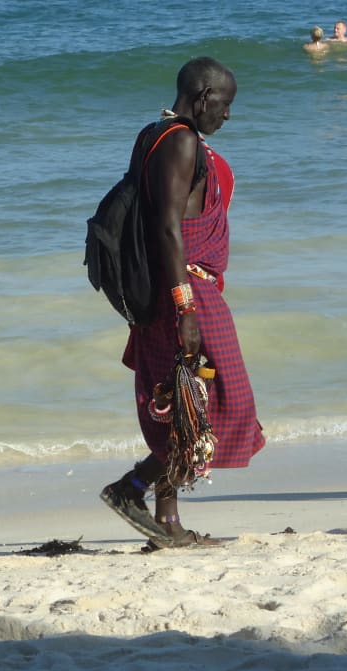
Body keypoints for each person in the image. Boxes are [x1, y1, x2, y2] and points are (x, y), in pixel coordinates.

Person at [100, 57, 265, 548]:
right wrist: (185, 306)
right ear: (203, 96)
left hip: (173, 290)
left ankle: (164, 518)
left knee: (185, 404)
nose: (227, 115)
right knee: (224, 404)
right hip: (185, 290)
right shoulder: (181, 141)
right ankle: (132, 489)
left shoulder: (154, 134)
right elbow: (167, 228)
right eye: (224, 103)